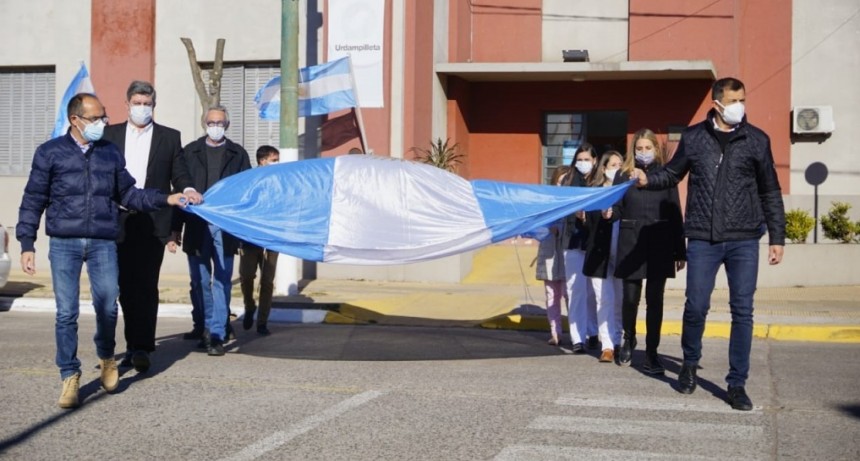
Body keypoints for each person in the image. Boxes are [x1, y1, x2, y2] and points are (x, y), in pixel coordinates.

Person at [16, 93, 189, 408]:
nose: (102, 123)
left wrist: (167, 199)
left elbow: (129, 193)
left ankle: (108, 357)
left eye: (103, 116)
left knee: (108, 306)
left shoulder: (110, 153)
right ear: (75, 120)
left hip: (103, 241)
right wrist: (27, 243)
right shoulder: (50, 153)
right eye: (95, 118)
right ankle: (69, 375)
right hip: (64, 243)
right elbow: (33, 199)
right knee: (66, 313)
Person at [633, 77, 785, 411]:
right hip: (702, 236)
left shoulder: (757, 140)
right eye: (734, 100)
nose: (740, 106)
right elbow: (672, 174)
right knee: (696, 305)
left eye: (743, 99)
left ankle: (737, 384)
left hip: (744, 237)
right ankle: (689, 365)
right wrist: (647, 180)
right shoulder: (694, 137)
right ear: (717, 104)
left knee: (742, 310)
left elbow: (770, 190)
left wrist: (777, 236)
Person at [103, 80, 202, 373]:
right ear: (127, 104)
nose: (142, 108)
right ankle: (118, 346)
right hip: (114, 220)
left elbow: (179, 174)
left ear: (154, 106)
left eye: (147, 104)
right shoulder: (108, 136)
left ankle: (141, 347)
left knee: (145, 286)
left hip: (152, 221)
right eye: (137, 103)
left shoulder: (169, 137)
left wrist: (189, 189)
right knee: (118, 287)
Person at [174, 105, 251, 356]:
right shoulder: (190, 151)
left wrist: (242, 230)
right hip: (196, 224)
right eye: (211, 122)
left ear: (226, 125)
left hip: (225, 226)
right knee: (199, 280)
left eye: (220, 123)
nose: (215, 126)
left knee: (221, 280)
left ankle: (216, 333)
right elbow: (180, 188)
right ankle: (205, 325)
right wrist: (175, 229)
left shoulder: (238, 154)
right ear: (204, 124)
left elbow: (246, 191)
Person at [614, 128, 686, 373]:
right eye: (639, 148)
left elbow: (675, 211)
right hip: (630, 242)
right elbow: (616, 208)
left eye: (648, 148)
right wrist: (607, 213)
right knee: (630, 299)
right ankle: (628, 339)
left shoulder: (666, 175)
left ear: (656, 149)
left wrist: (680, 250)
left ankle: (652, 352)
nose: (643, 152)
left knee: (655, 300)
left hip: (659, 242)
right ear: (633, 151)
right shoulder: (623, 176)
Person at [582, 151, 624, 363]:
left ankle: (618, 340)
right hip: (599, 254)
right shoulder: (595, 192)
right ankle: (607, 345)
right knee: (603, 299)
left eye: (620, 164)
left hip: (623, 254)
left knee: (619, 300)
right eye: (612, 164)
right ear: (604, 167)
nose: (616, 167)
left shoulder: (628, 191)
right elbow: (588, 225)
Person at [561, 143, 599, 354]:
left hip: (593, 242)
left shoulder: (599, 183)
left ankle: (593, 332)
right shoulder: (568, 182)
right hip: (573, 241)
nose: (583, 164)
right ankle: (577, 337)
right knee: (575, 291)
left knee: (594, 291)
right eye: (580, 159)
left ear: (595, 161)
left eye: (587, 159)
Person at [240, 145, 281, 336]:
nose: (276, 163)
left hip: (272, 238)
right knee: (247, 275)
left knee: (267, 281)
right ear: (262, 161)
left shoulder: (280, 181)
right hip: (251, 237)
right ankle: (249, 305)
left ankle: (262, 322)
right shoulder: (250, 180)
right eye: (273, 160)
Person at [535, 165, 569, 346]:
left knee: (569, 293)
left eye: (566, 180)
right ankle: (555, 332)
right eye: (559, 180)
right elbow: (538, 223)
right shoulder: (547, 200)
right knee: (551, 294)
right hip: (549, 252)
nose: (561, 184)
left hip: (566, 252)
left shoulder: (574, 200)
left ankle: (577, 332)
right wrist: (548, 228)